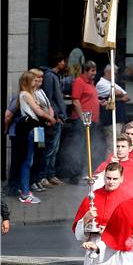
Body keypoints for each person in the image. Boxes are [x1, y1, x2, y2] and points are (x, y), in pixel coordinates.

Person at [14, 71, 56, 203]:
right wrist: (50, 117)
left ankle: (28, 187)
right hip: (32, 129)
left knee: (35, 158)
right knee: (29, 160)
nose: (37, 81)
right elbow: (37, 111)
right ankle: (25, 193)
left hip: (37, 129)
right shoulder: (26, 94)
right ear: (27, 82)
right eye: (34, 79)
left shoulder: (30, 94)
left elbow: (43, 108)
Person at [70, 60, 105, 182]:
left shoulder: (91, 83)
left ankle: (85, 172)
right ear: (85, 70)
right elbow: (76, 101)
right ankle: (75, 176)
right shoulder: (79, 82)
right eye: (92, 71)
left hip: (92, 120)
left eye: (95, 71)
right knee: (79, 147)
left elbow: (90, 100)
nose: (94, 74)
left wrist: (100, 102)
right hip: (82, 121)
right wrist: (83, 118)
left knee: (89, 147)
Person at [41, 52, 68, 186]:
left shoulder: (55, 76)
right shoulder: (49, 76)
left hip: (58, 116)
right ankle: (44, 176)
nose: (65, 63)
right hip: (54, 117)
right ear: (58, 62)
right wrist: (56, 116)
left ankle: (50, 175)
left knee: (54, 148)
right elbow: (49, 99)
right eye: (63, 61)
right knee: (50, 148)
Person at [96, 64, 130, 151]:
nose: (115, 76)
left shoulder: (112, 83)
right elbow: (118, 92)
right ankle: (110, 164)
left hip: (118, 119)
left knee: (118, 145)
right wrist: (120, 96)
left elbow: (127, 96)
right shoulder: (101, 83)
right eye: (114, 73)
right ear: (107, 72)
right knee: (112, 147)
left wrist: (119, 96)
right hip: (110, 120)